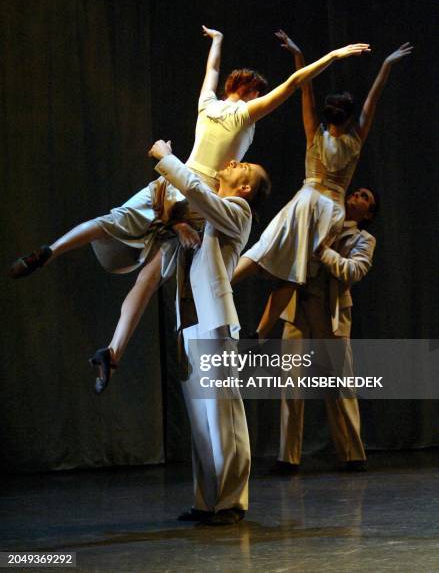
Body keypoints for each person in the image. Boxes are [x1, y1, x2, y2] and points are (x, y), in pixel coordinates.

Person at [11, 26, 369, 392]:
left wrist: (217, 42)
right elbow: (294, 83)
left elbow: (211, 71)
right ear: (246, 89)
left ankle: (56, 258)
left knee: (111, 226)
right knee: (152, 280)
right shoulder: (243, 114)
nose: (258, 96)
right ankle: (135, 347)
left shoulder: (207, 104)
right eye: (256, 91)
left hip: (168, 183)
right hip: (195, 198)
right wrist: (334, 56)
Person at [232, 31, 411, 340]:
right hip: (331, 210)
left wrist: (299, 56)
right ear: (348, 117)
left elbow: (306, 91)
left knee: (264, 248)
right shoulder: (355, 140)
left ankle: (220, 286)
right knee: (295, 274)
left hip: (307, 199)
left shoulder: (316, 133)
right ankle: (260, 333)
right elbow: (372, 101)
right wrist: (386, 66)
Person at [148, 138, 270, 525]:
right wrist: (178, 224)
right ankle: (208, 501)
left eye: (241, 166)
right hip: (190, 321)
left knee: (222, 413)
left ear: (246, 187)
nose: (232, 161)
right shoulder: (207, 216)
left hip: (214, 320)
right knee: (200, 418)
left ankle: (231, 502)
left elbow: (199, 191)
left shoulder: (238, 209)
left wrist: (169, 160)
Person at [273, 186, 378, 475]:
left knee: (339, 385)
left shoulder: (363, 239)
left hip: (330, 313)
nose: (356, 195)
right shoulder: (321, 219)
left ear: (368, 213)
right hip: (298, 307)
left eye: (364, 197)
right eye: (356, 192)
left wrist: (323, 250)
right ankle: (288, 457)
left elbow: (353, 271)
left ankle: (352, 454)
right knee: (290, 383)